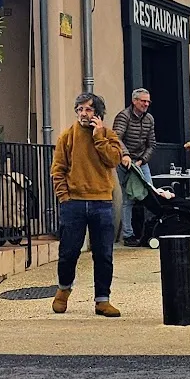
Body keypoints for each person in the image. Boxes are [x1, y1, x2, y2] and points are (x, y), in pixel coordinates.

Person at [51, 92, 124, 317]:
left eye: (89, 109)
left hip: (102, 201)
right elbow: (58, 169)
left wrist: (99, 136)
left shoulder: (108, 135)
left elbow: (114, 160)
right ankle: (63, 290)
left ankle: (102, 300)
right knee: (68, 252)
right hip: (73, 202)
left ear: (98, 113)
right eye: (80, 109)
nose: (84, 114)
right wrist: (64, 197)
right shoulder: (67, 136)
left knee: (103, 254)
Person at [113, 88, 157, 246]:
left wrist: (142, 161)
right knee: (128, 199)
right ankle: (128, 235)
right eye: (143, 101)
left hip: (141, 162)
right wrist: (125, 155)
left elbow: (152, 144)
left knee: (150, 196)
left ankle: (151, 231)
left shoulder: (149, 119)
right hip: (124, 163)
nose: (146, 104)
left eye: (148, 101)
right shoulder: (123, 116)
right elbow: (116, 138)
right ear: (134, 101)